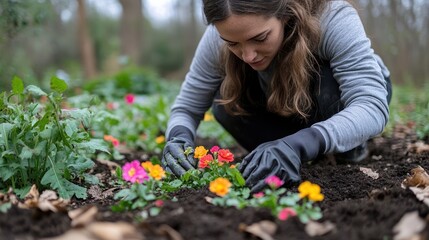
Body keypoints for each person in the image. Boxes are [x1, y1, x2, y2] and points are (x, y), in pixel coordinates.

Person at [161, 0, 392, 192]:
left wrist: (301, 145)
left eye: (259, 38)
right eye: (233, 43)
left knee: (329, 84)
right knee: (224, 100)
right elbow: (187, 107)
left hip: (333, 99)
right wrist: (177, 138)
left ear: (286, 12)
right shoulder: (217, 37)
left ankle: (346, 148)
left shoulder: (332, 18)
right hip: (281, 106)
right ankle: (279, 152)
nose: (248, 56)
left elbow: (370, 104)